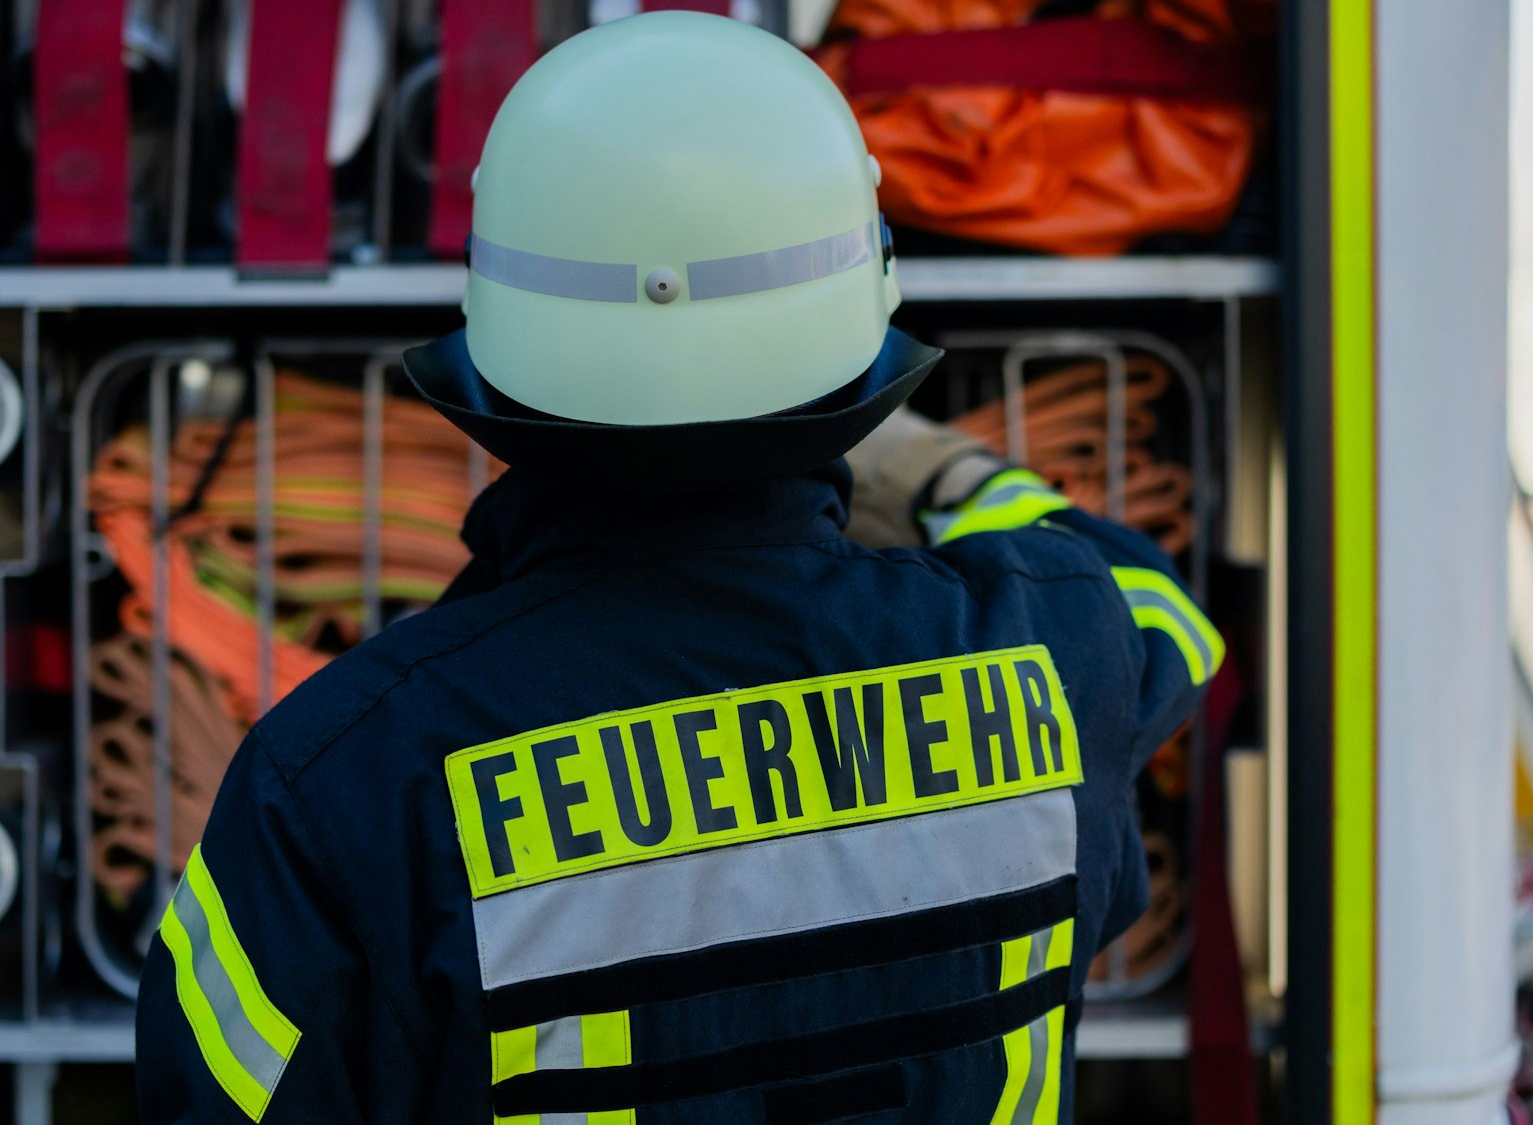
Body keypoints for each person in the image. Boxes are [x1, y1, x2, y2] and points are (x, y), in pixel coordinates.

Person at [135, 12, 1220, 1124]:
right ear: (857, 334)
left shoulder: (338, 782)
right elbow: (1162, 615)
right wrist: (943, 475)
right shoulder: (1049, 650)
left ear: (498, 342)